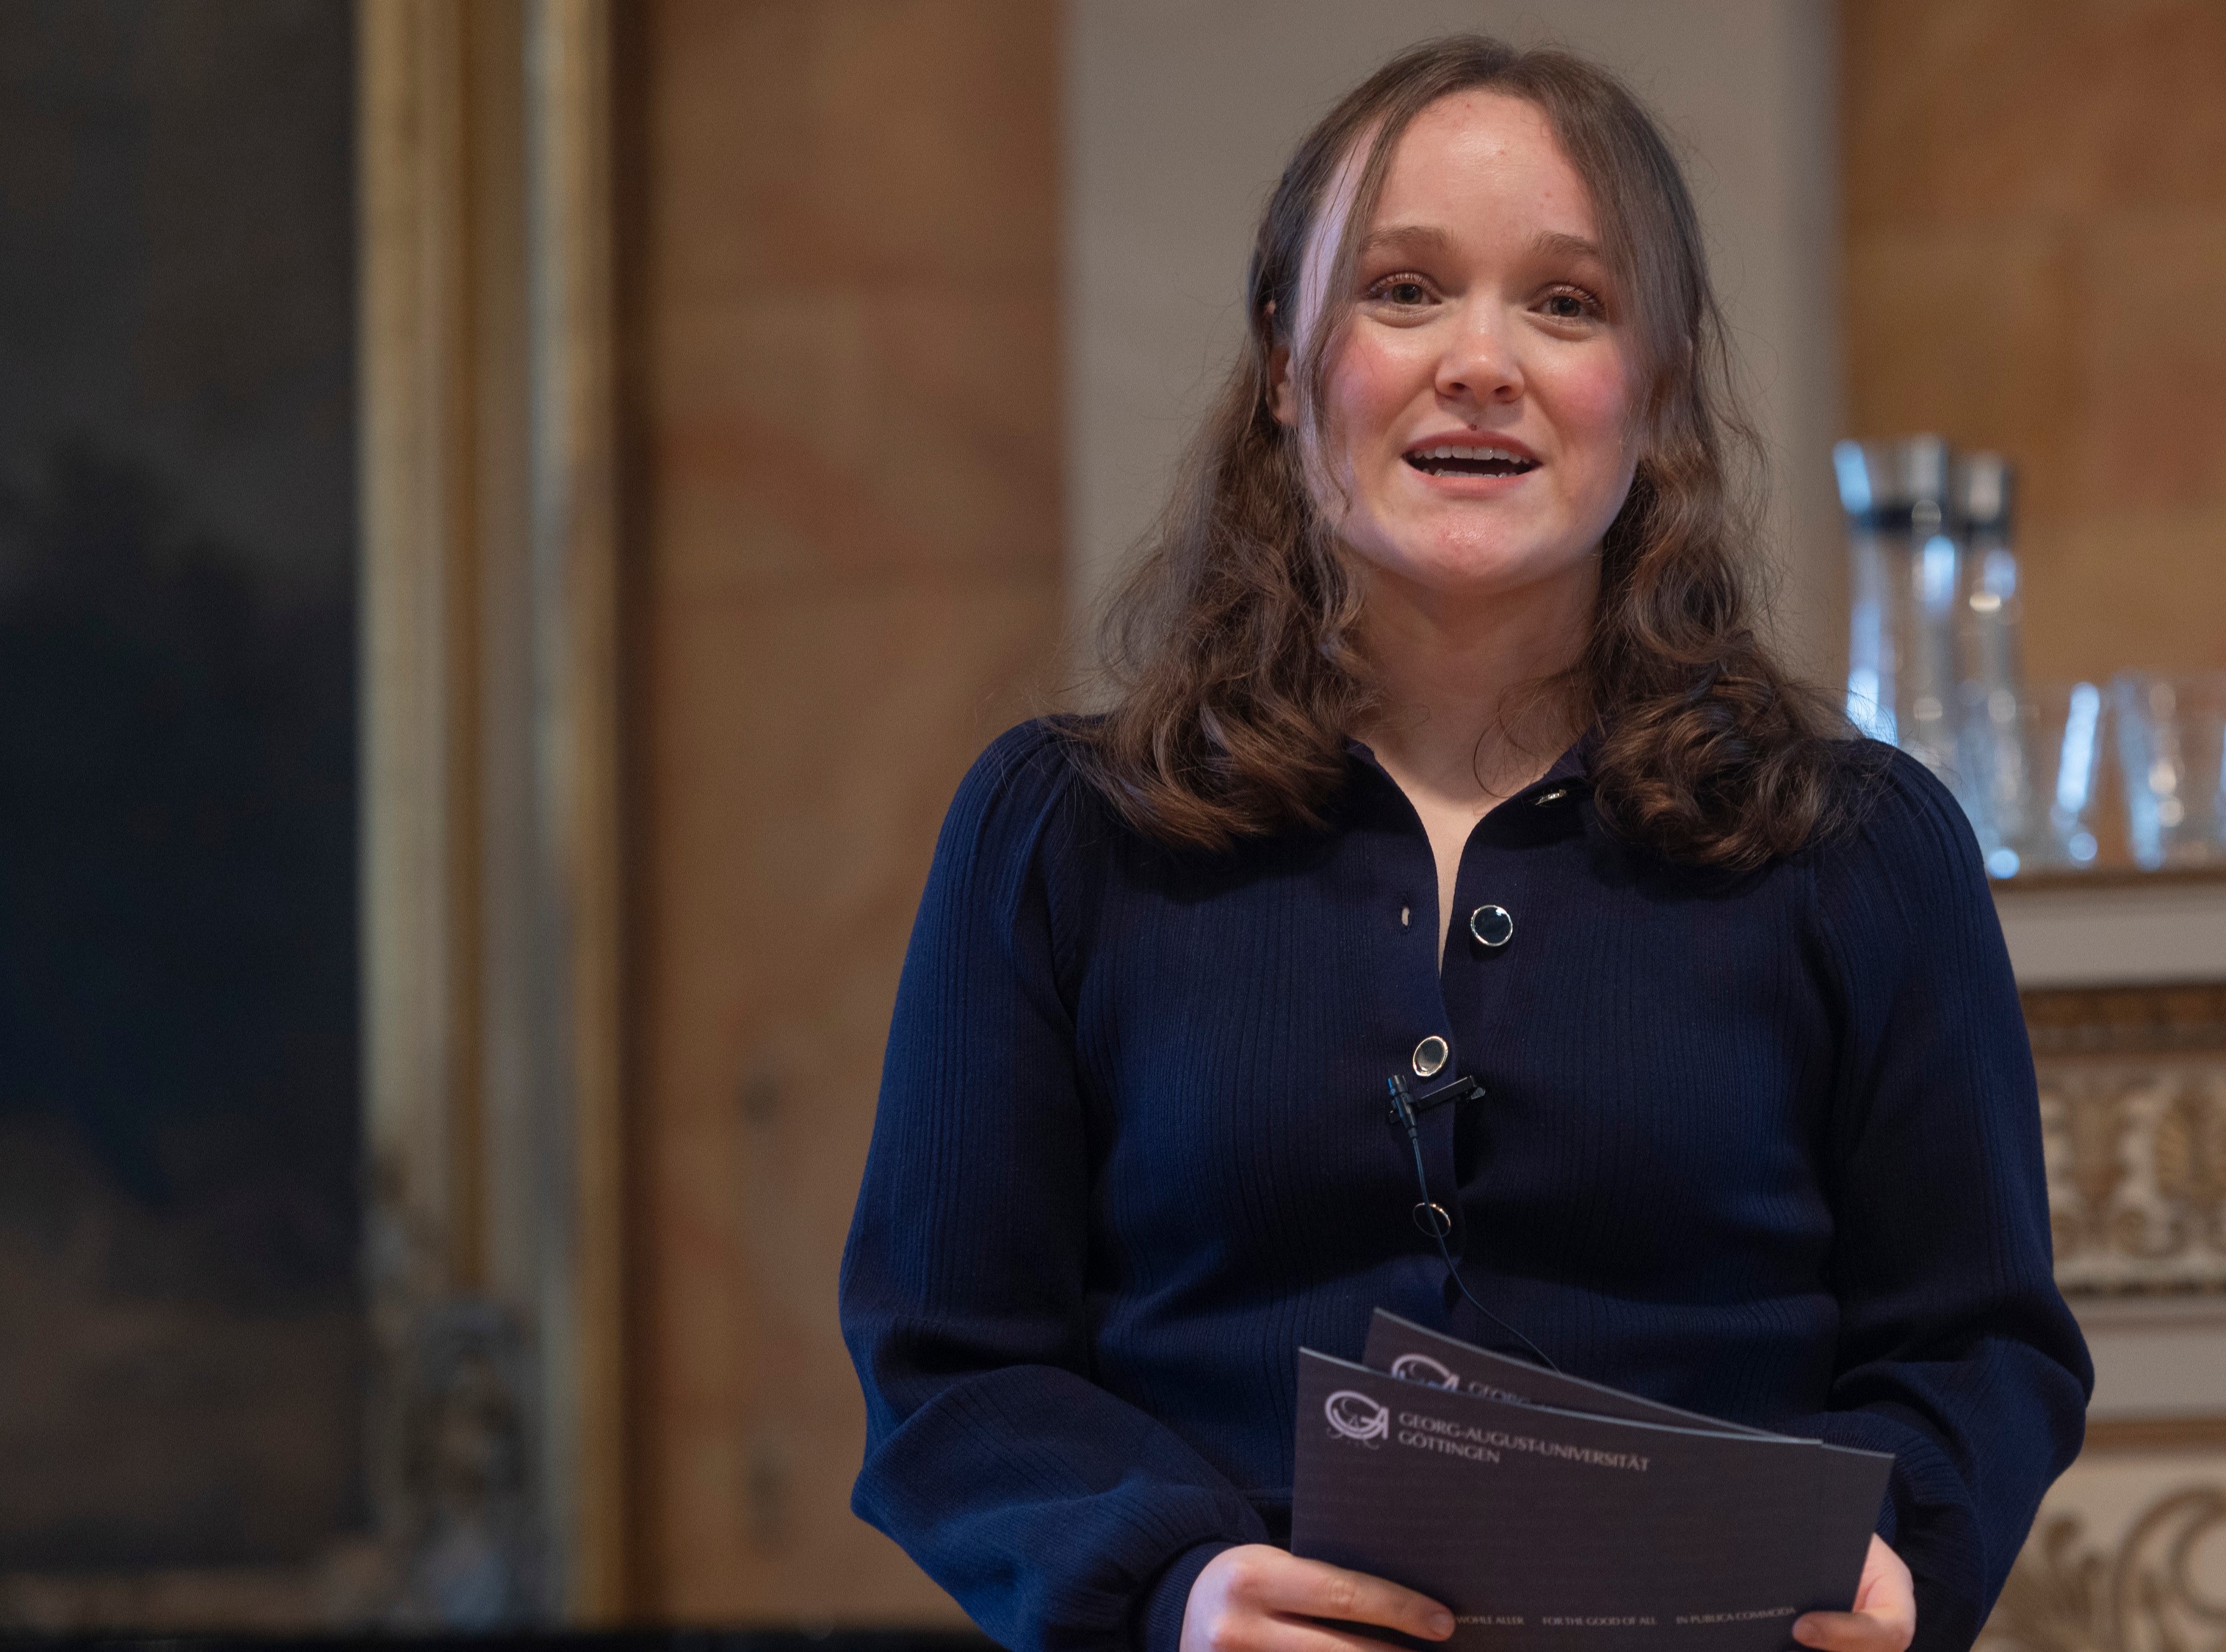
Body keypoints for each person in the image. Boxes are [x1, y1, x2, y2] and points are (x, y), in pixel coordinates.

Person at [839, 35, 2090, 1652]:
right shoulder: (1057, 839)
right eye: (1402, 290)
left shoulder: (1861, 851)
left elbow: (1979, 1352)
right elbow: (950, 1367)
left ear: (1652, 392)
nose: (1480, 361)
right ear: (1286, 369)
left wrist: (1894, 1555)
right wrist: (1173, 1588)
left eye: (1564, 304)